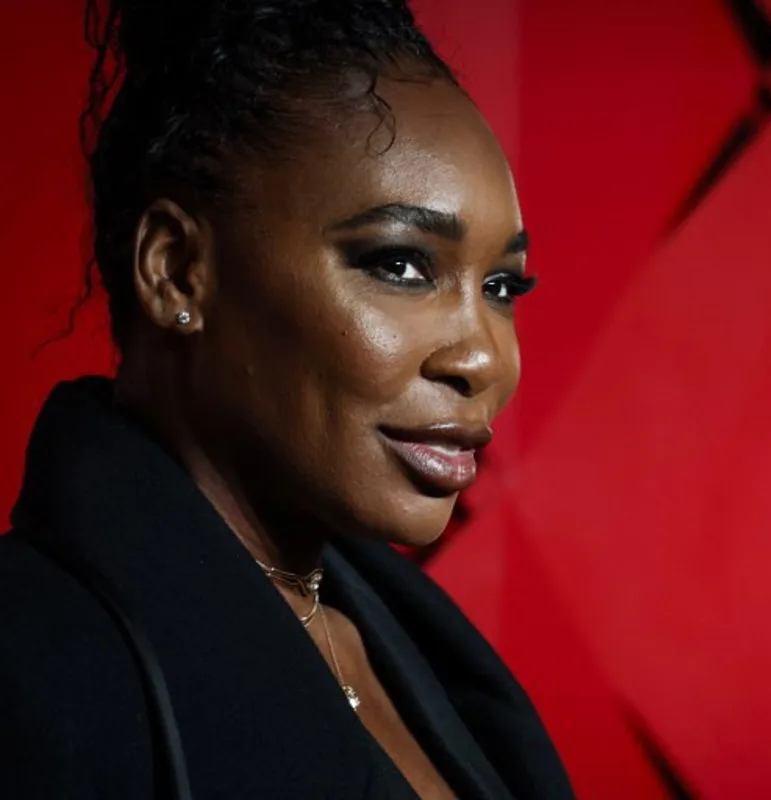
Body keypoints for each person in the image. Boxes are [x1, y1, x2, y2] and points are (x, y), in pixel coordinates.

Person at [0, 1, 574, 798]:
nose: (483, 357)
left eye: (502, 285)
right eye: (403, 266)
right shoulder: (30, 669)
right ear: (174, 270)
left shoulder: (416, 644)